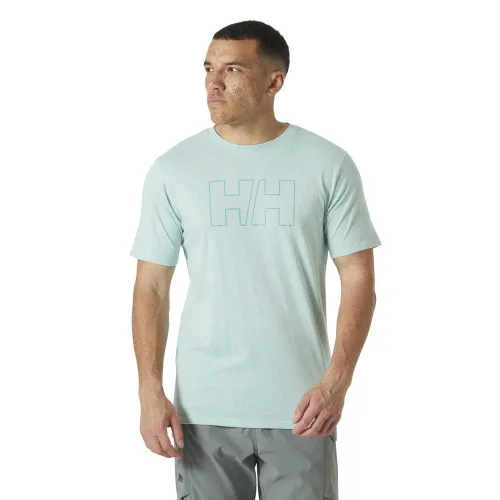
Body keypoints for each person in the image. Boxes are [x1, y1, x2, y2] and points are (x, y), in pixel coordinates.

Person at [129, 19, 381, 500]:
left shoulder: (328, 164)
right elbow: (151, 288)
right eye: (208, 68)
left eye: (233, 69)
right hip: (202, 409)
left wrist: (337, 382)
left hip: (304, 407)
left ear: (274, 81)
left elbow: (359, 279)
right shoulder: (173, 169)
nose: (214, 83)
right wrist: (149, 390)